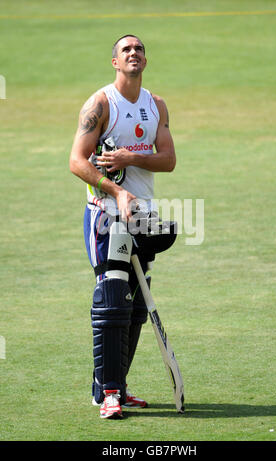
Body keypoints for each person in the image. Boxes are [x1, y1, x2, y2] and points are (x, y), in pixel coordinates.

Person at [69, 34, 176, 419]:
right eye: (126, 50)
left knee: (134, 308)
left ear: (145, 60)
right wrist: (116, 191)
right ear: (115, 61)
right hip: (105, 214)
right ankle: (109, 393)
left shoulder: (156, 105)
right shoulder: (100, 104)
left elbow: (168, 161)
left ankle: (115, 387)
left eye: (139, 49)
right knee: (112, 301)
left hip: (142, 217)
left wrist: (132, 157)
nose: (134, 53)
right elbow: (77, 161)